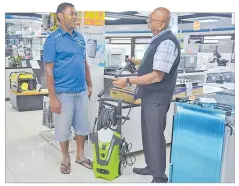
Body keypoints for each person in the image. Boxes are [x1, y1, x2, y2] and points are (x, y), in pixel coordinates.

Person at [113, 7, 180, 183]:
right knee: (148, 133)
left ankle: (159, 176)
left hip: (157, 97)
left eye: (151, 19)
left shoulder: (167, 42)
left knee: (155, 135)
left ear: (161, 23)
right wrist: (136, 62)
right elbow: (153, 61)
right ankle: (151, 166)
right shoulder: (158, 39)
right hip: (150, 96)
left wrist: (128, 81)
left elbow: (157, 75)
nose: (148, 21)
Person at [43, 2, 93, 174]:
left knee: (82, 126)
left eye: (76, 14)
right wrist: (53, 97)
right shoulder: (52, 40)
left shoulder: (79, 38)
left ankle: (80, 155)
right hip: (63, 92)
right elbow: (48, 71)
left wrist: (90, 83)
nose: (75, 17)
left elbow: (84, 62)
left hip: (81, 91)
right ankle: (65, 157)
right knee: (63, 129)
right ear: (60, 16)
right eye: (71, 13)